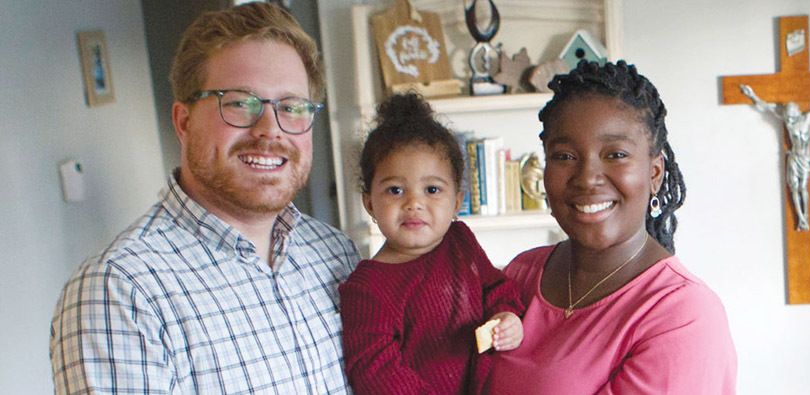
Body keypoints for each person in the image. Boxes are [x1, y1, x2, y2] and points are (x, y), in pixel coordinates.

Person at [49, 3, 360, 394]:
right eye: (239, 103)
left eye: (292, 107)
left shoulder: (336, 253)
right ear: (184, 121)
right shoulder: (120, 291)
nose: (269, 129)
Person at [484, 60, 737, 394]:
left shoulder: (683, 316)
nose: (587, 178)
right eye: (564, 156)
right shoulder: (521, 273)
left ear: (654, 173)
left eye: (616, 154)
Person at [338, 93, 524, 395]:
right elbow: (377, 371)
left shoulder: (461, 242)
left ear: (457, 203)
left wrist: (507, 317)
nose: (414, 203)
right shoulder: (366, 288)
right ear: (370, 204)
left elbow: (496, 288)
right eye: (395, 190)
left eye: (432, 189)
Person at [739, 81, 810, 231]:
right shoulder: (788, 123)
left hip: (805, 158)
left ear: (796, 111)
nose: (788, 119)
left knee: (803, 188)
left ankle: (806, 216)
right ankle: (801, 218)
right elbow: (766, 107)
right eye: (787, 116)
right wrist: (752, 95)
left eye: (790, 115)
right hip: (794, 158)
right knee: (794, 188)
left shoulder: (807, 118)